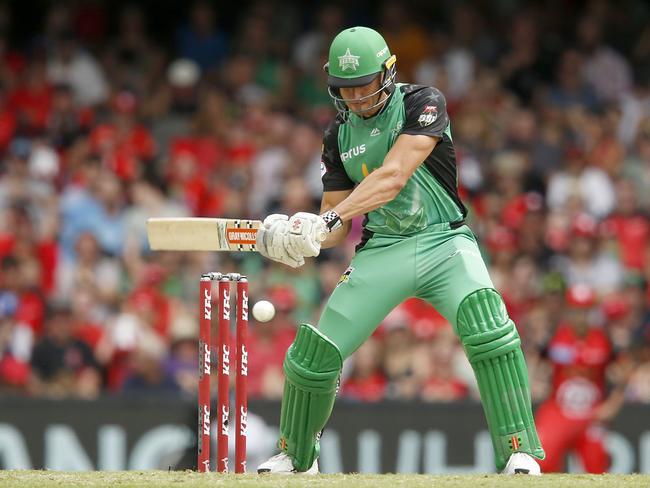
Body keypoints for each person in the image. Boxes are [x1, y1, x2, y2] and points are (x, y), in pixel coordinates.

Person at [255, 26, 545, 475]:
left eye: (363, 84)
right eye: (343, 88)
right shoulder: (337, 135)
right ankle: (296, 458)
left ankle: (517, 451)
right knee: (314, 356)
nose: (353, 96)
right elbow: (334, 222)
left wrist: (328, 220)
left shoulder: (421, 102)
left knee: (489, 328)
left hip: (443, 241)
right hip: (383, 250)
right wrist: (302, 231)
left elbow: (393, 177)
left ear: (388, 74)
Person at [535, 285, 628, 473]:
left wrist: (612, 405)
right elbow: (538, 366)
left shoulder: (604, 339)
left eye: (586, 311)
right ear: (568, 311)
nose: (581, 317)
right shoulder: (555, 337)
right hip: (559, 411)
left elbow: (622, 375)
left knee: (597, 466)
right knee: (543, 460)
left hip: (591, 415)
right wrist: (536, 384)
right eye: (576, 311)